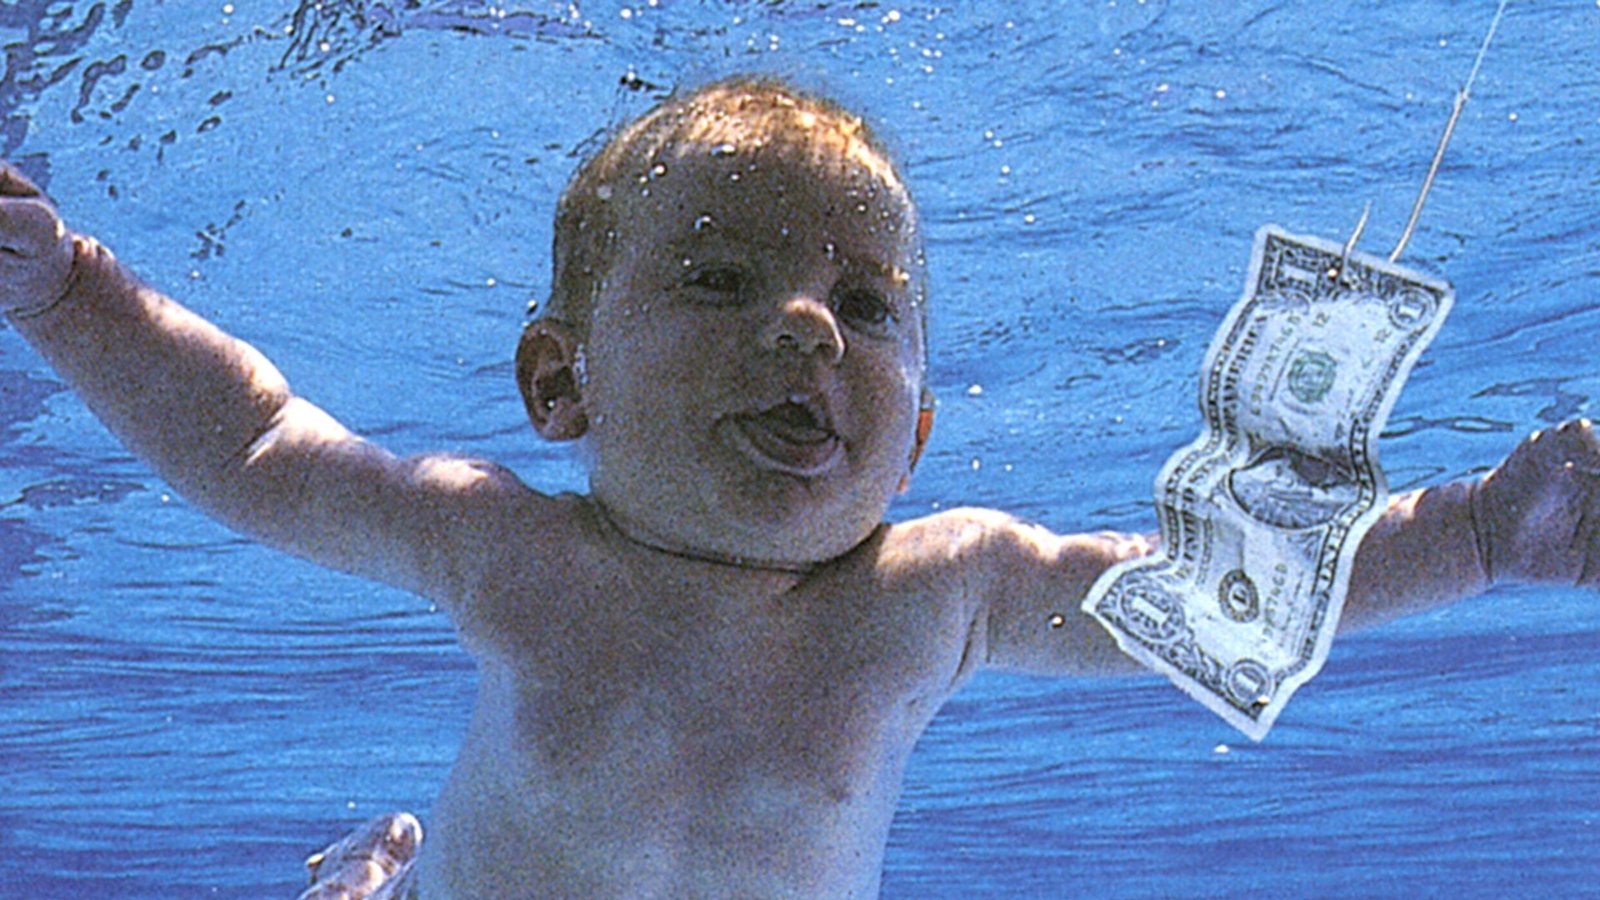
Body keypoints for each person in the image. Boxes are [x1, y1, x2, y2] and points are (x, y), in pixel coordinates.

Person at [2, 76, 1596, 899]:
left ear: (913, 442)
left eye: (871, 305)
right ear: (562, 384)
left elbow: (1215, 599)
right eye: (718, 278)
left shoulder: (942, 591)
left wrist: (1477, 532)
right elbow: (259, 443)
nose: (811, 327)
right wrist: (71, 294)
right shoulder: (510, 548)